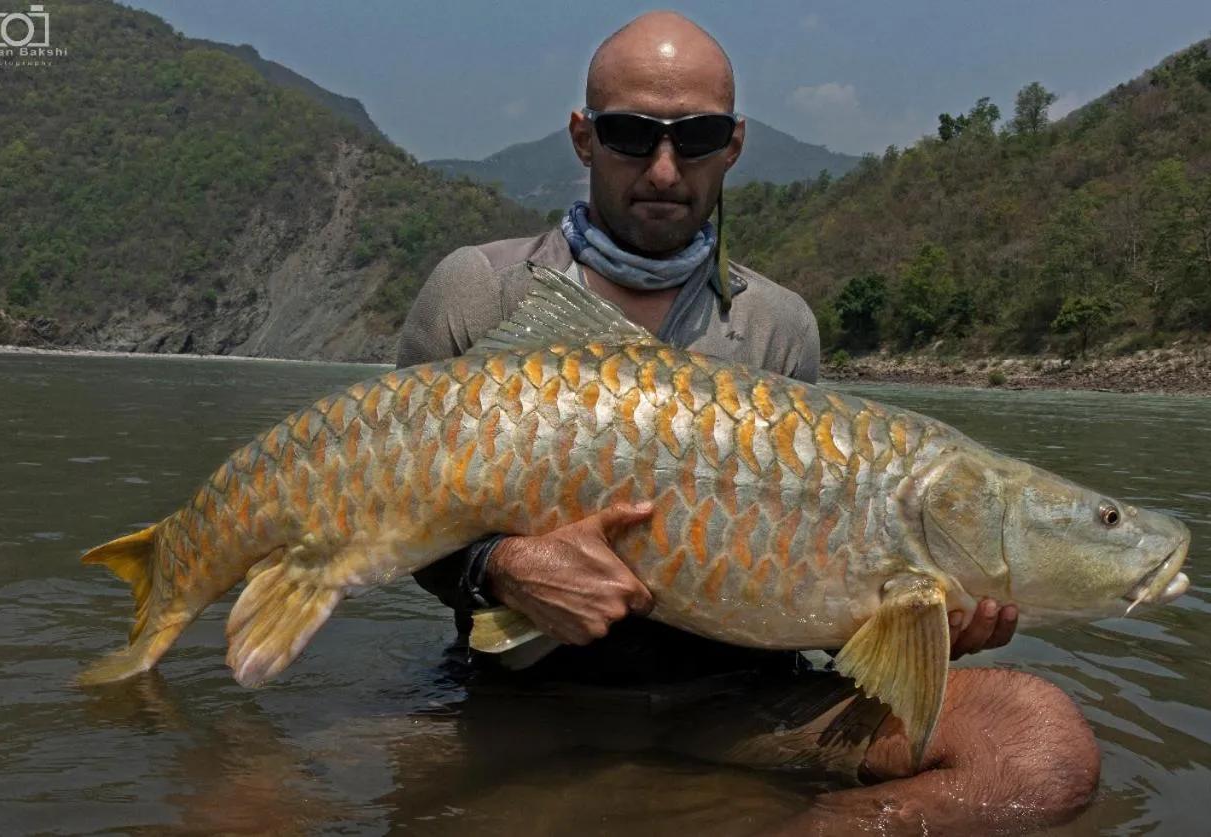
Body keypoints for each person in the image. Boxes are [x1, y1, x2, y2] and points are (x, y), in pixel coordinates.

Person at [392, 11, 1100, 835]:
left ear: (732, 145)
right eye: (630, 135)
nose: (664, 169)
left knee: (1037, 746)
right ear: (584, 137)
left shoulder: (778, 326)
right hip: (519, 695)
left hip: (739, 704)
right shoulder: (479, 291)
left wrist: (916, 627)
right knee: (273, 782)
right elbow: (389, 511)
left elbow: (810, 576)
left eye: (695, 139)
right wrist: (502, 567)